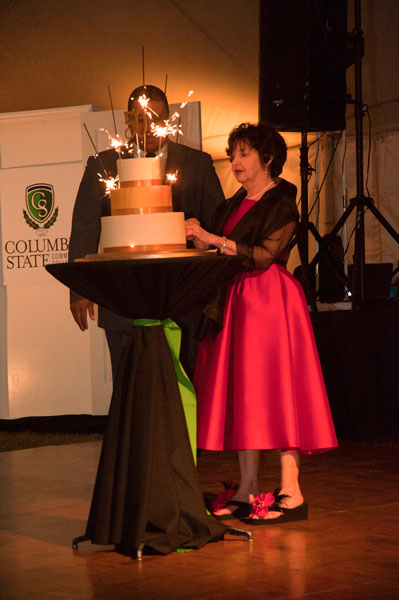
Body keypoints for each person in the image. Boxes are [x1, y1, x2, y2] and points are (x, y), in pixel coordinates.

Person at [185, 122, 337, 524]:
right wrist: (201, 239)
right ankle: (249, 485)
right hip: (237, 300)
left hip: (269, 302)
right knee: (246, 393)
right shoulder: (233, 204)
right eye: (233, 154)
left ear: (267, 159)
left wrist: (213, 239)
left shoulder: (281, 201)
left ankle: (291, 491)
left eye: (244, 154)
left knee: (279, 391)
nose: (234, 161)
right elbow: (225, 248)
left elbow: (266, 255)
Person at [68, 84, 224, 381]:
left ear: (170, 120)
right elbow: (85, 227)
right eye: (141, 119)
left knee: (186, 385)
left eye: (158, 118)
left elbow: (217, 224)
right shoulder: (104, 165)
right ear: (128, 120)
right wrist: (80, 288)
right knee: (131, 387)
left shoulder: (197, 164)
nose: (150, 127)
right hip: (123, 301)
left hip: (184, 299)